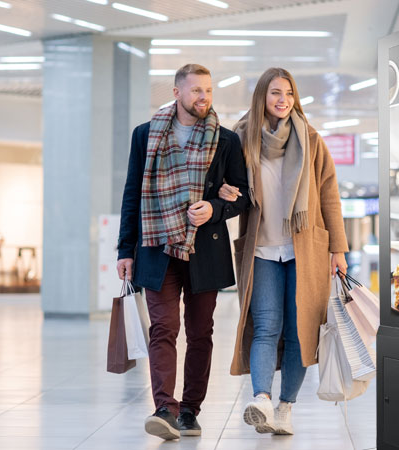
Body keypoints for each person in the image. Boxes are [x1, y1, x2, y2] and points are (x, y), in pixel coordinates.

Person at [116, 63, 249, 440]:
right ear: (176, 93)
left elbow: (243, 195)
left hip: (204, 248)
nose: (204, 97)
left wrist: (215, 209)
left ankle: (190, 411)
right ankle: (165, 408)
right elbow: (132, 194)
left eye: (208, 90)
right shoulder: (145, 135)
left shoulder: (226, 140)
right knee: (163, 327)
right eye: (196, 91)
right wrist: (125, 249)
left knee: (200, 331)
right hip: (157, 246)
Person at [219, 67, 349, 435]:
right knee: (265, 326)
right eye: (276, 92)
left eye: (289, 93)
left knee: (299, 331)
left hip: (305, 250)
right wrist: (225, 192)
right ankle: (261, 398)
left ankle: (285, 407)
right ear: (262, 95)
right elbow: (228, 187)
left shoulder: (310, 139)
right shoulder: (240, 139)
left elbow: (329, 196)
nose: (283, 100)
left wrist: (338, 249)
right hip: (261, 249)